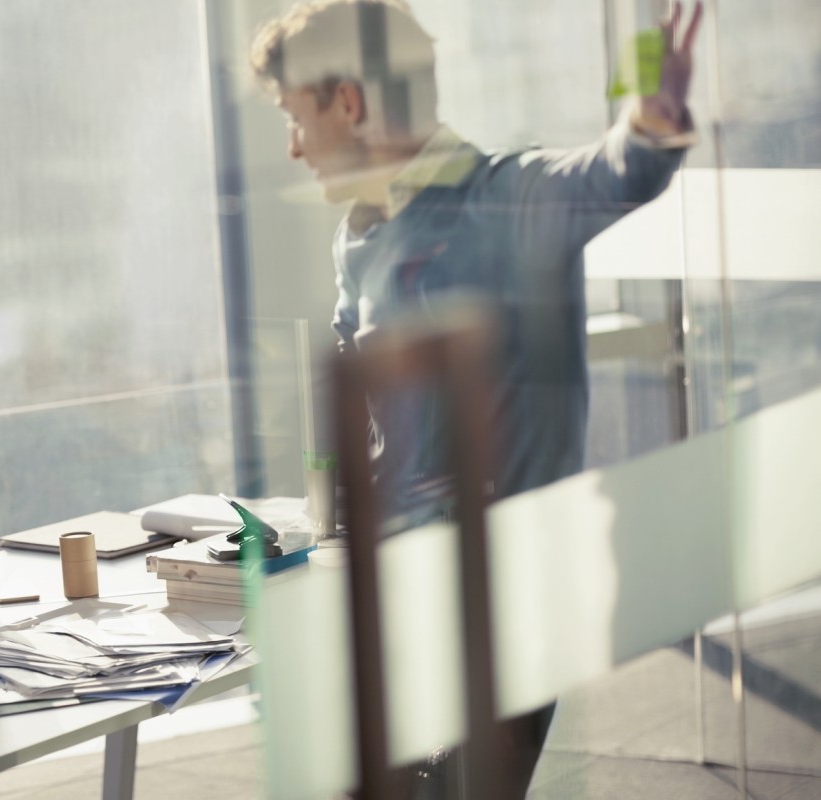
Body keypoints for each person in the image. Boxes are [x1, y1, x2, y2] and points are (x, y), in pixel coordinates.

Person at [250, 0, 702, 796]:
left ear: (349, 101)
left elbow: (613, 171)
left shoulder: (508, 198)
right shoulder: (358, 237)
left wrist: (652, 124)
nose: (291, 147)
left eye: (296, 117)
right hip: (402, 594)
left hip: (509, 601)